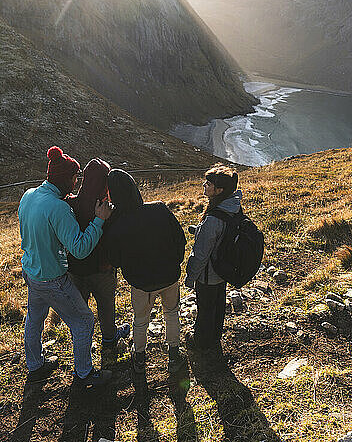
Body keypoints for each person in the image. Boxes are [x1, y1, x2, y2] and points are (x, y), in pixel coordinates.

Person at [18, 146, 113, 387]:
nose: (75, 183)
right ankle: (84, 373)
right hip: (52, 279)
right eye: (74, 178)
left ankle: (35, 365)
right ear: (64, 179)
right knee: (84, 321)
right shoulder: (58, 208)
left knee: (35, 318)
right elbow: (80, 249)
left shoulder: (28, 195)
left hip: (31, 271)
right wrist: (99, 220)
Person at [102, 169, 187, 374]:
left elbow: (114, 260)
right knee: (172, 314)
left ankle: (139, 358)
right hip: (169, 277)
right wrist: (174, 264)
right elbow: (180, 239)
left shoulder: (115, 224)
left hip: (141, 283)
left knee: (140, 321)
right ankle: (174, 354)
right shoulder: (159, 209)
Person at [66, 158, 130, 347]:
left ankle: (81, 343)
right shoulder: (108, 209)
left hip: (75, 269)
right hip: (102, 269)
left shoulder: (70, 203)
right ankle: (109, 338)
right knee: (106, 306)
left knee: (79, 310)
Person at [184, 165, 241, 356]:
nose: (204, 185)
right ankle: (215, 337)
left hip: (208, 274)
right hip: (223, 269)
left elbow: (201, 254)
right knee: (218, 305)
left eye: (208, 183)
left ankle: (200, 342)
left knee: (205, 309)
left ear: (219, 190)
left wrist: (191, 276)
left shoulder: (212, 218)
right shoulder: (233, 206)